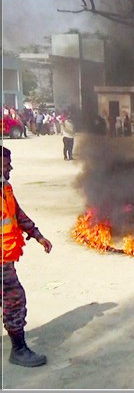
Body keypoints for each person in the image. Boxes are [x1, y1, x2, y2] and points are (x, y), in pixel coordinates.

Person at [1, 146, 53, 367]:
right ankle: (19, 350)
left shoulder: (5, 187)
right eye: (5, 164)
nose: (10, 167)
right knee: (14, 298)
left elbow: (17, 214)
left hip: (6, 255)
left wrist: (37, 235)